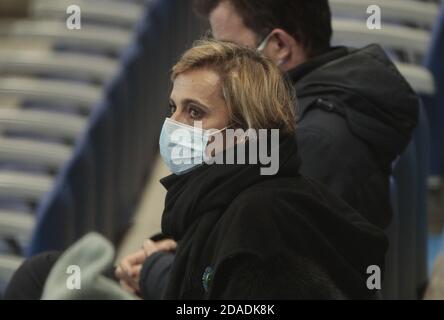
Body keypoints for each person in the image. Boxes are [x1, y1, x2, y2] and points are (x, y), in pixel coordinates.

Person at [5, 40, 387, 299]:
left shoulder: (261, 218)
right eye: (173, 108)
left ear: (242, 134)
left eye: (195, 112)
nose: (174, 124)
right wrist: (176, 257)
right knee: (45, 272)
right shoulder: (239, 190)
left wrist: (157, 275)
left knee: (40, 278)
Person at [195, 0, 420, 230]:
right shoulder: (337, 94)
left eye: (230, 53)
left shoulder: (310, 144)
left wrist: (160, 263)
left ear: (280, 45)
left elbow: (267, 257)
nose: (220, 71)